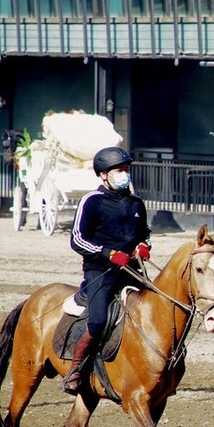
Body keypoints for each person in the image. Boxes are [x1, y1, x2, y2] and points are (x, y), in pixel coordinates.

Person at [65, 146, 151, 395]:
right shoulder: (92, 201)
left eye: (127, 170)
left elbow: (143, 233)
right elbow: (77, 239)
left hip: (132, 271)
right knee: (99, 319)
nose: (125, 174)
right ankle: (75, 369)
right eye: (120, 170)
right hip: (100, 272)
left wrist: (143, 246)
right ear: (103, 175)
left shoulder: (136, 203)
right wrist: (108, 253)